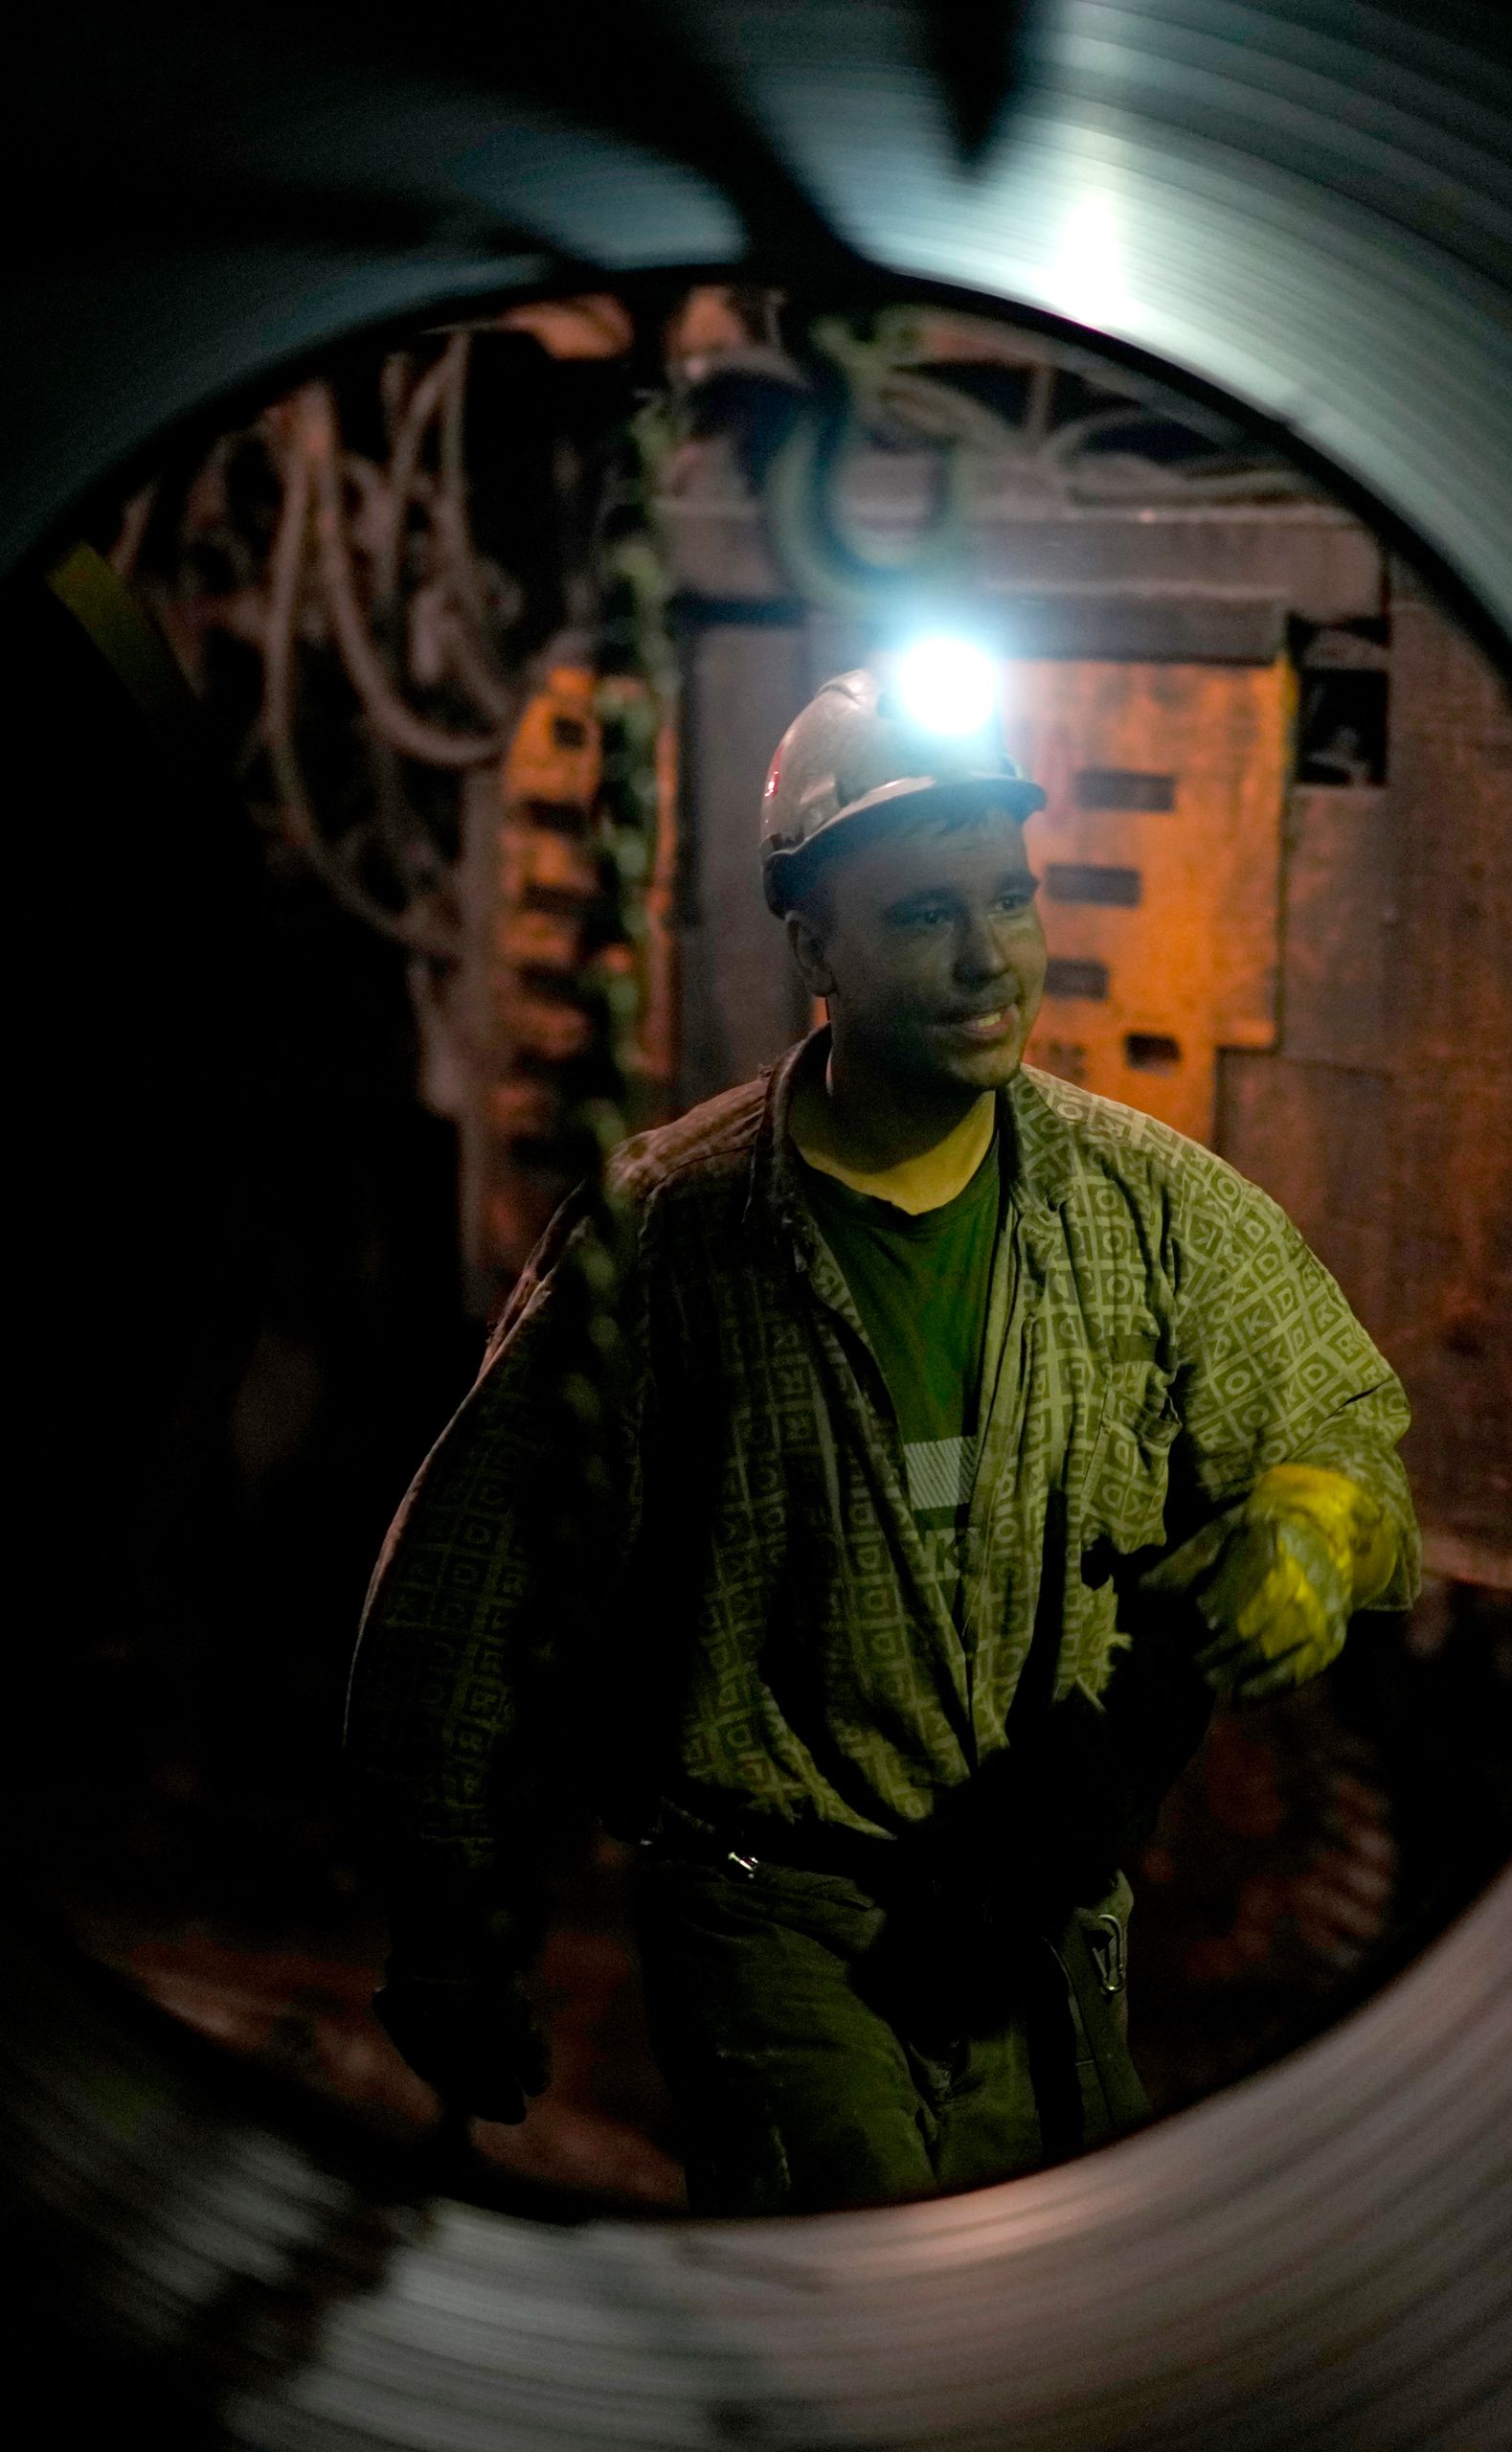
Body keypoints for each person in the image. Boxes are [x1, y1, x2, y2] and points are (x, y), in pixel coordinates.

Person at [350, 657, 1419, 2213]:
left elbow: (1350, 1428)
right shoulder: (673, 1235)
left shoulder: (1147, 1207)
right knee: (866, 2335)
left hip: (1043, 1928)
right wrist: (444, 1928)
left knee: (1045, 2359)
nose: (992, 961)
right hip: (776, 1929)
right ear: (813, 945)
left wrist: (1317, 1524)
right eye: (927, 916)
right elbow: (457, 1596)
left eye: (1011, 899)